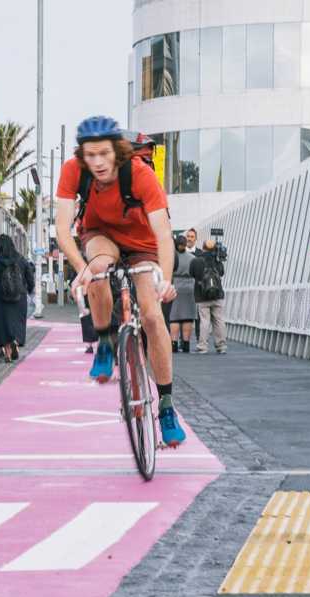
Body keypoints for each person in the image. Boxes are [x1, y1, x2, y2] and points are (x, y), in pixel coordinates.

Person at [55, 116, 186, 447]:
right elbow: (61, 229)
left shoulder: (140, 174)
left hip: (143, 245)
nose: (97, 163)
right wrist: (81, 267)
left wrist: (166, 280)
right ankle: (105, 341)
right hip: (101, 236)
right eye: (90, 155)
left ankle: (167, 406)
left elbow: (164, 235)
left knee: (153, 317)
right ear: (82, 154)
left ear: (117, 151)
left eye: (103, 154)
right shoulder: (74, 171)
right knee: (98, 269)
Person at [0, 235, 33, 362]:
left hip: (1, 298)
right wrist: (28, 290)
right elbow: (30, 278)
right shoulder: (21, 260)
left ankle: (7, 353)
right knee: (17, 324)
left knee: (3, 326)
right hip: (19, 297)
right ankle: (15, 343)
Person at [191, 238, 227, 354]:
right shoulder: (217, 260)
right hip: (217, 295)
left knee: (204, 321)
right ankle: (221, 346)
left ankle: (203, 346)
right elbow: (221, 273)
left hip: (202, 296)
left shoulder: (197, 260)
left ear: (203, 247)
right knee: (219, 320)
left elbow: (192, 273)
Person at [166, 234, 198, 353]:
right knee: (187, 318)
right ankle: (186, 345)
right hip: (189, 288)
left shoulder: (171, 258)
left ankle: (173, 344)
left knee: (174, 317)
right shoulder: (192, 258)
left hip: (175, 286)